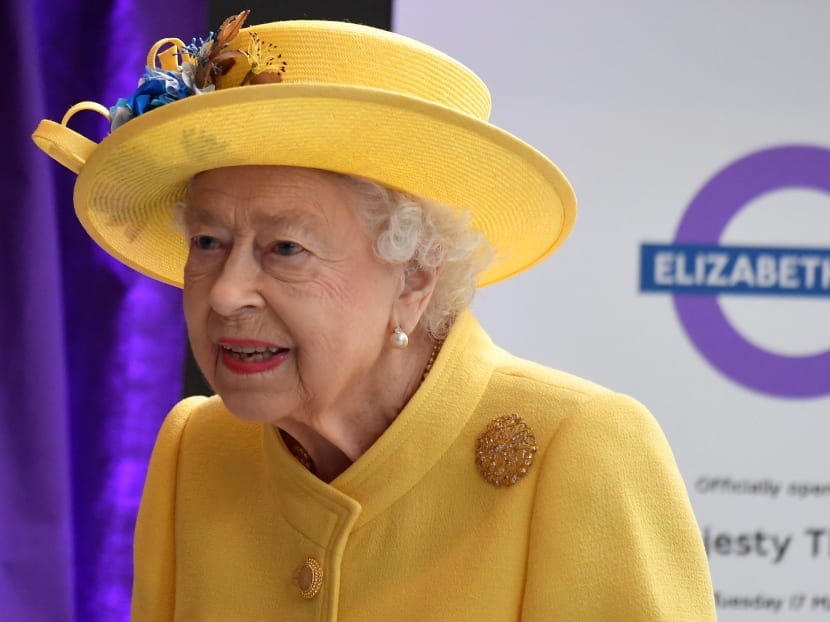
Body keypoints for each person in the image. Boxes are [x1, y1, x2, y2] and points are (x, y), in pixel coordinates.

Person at [33, 11, 716, 621]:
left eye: (286, 248)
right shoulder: (197, 448)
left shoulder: (579, 448)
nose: (224, 293)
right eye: (209, 241)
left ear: (415, 277)